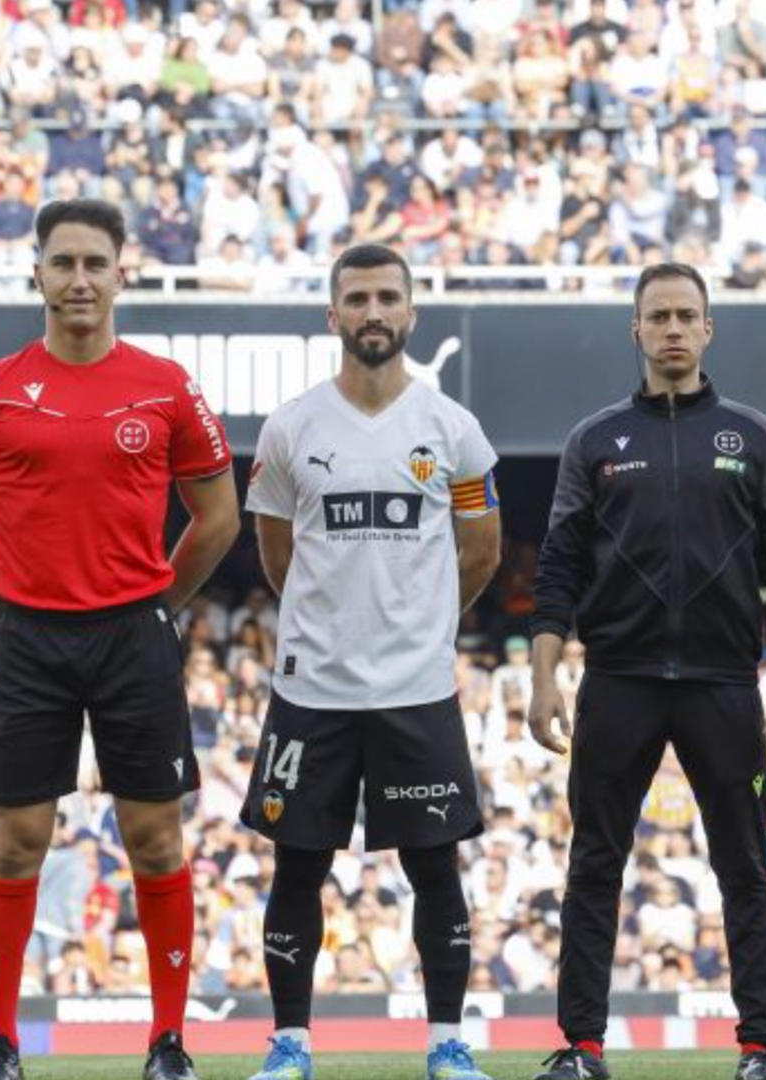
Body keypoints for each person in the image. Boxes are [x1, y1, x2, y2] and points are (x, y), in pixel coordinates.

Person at [0, 198, 241, 1080]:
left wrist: (153, 603)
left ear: (120, 274)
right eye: (62, 263)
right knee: (17, 841)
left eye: (94, 264)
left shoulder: (167, 385)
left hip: (135, 640)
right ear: (37, 274)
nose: (78, 280)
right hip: (30, 644)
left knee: (155, 842)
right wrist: (22, 601)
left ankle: (168, 1043)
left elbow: (216, 518)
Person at [528, 262, 766, 1080]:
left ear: (709, 328)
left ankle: (759, 1047)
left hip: (726, 684)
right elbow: (557, 568)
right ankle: (581, 1047)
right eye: (660, 317)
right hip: (617, 679)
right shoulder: (597, 439)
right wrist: (545, 678)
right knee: (593, 867)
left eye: (688, 315)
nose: (675, 329)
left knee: (745, 869)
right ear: (638, 330)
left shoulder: (751, 435)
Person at [239, 244, 503, 1080]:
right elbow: (276, 554)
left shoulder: (452, 429)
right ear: (333, 315)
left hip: (415, 691)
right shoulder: (291, 427)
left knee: (435, 867)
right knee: (297, 865)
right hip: (310, 692)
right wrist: (330, 626)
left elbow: (483, 549)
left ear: (412, 311)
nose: (373, 312)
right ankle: (291, 1045)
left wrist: (418, 625)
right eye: (357, 299)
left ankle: (446, 1044)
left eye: (388, 297)